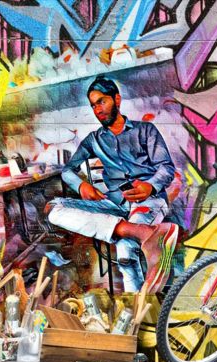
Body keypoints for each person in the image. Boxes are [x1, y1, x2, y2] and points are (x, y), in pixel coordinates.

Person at [46, 75, 178, 294]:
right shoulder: (94, 140)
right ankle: (141, 232)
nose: (98, 109)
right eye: (93, 105)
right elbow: (68, 170)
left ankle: (138, 305)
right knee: (54, 209)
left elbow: (166, 168)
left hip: (148, 202)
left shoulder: (145, 130)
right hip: (114, 204)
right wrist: (81, 186)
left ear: (116, 99)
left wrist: (150, 186)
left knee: (125, 250)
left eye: (102, 101)